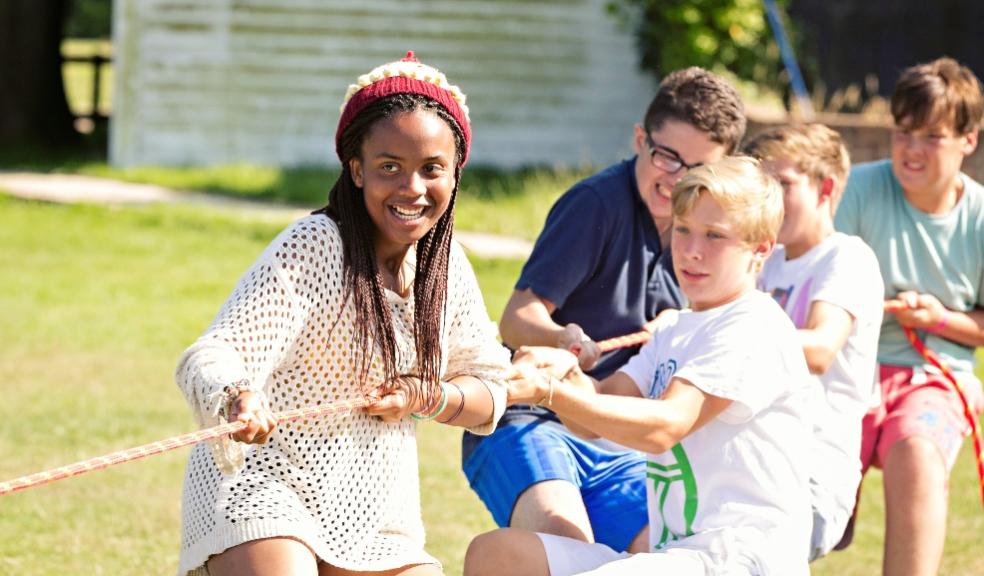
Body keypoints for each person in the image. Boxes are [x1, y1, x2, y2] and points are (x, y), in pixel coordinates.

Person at [174, 52, 512, 576]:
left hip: (375, 512)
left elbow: (491, 391)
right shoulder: (314, 246)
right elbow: (214, 353)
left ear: (455, 173)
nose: (412, 188)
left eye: (432, 169)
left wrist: (431, 395)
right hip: (265, 485)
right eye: (389, 168)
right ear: (357, 169)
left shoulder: (448, 270)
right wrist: (237, 396)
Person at [465, 156, 815, 576]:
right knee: (498, 554)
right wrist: (565, 371)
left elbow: (665, 425)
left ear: (760, 249)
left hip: (737, 560)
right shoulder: (680, 327)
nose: (691, 250)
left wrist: (548, 392)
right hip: (678, 555)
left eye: (714, 236)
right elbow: (596, 411)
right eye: (683, 229)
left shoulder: (751, 325)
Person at [462, 67, 747, 554]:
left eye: (697, 169)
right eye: (666, 157)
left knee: (663, 555)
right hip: (534, 416)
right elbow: (517, 315)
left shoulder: (704, 236)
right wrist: (563, 340)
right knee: (566, 548)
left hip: (616, 431)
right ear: (640, 139)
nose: (676, 179)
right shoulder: (596, 204)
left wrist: (676, 332)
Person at [834, 57, 984, 576]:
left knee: (918, 454)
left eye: (931, 136)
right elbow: (821, 286)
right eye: (903, 132)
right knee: (817, 513)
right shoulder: (859, 188)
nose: (911, 150)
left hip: (935, 377)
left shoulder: (981, 218)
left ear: (969, 139)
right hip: (846, 369)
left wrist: (941, 319)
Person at [744, 124, 884, 561]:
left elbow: (822, 348)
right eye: (762, 186)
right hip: (751, 466)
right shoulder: (766, 260)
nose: (769, 199)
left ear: (825, 188)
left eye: (782, 185)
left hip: (811, 480)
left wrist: (725, 331)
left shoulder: (847, 258)